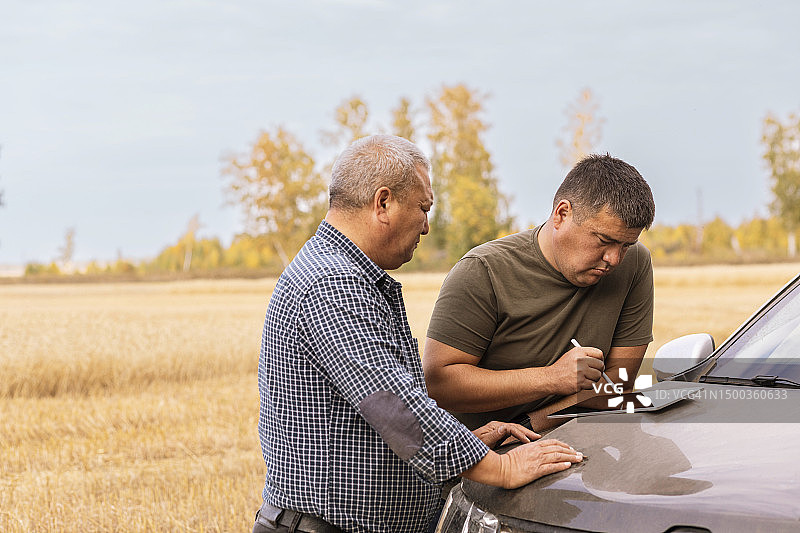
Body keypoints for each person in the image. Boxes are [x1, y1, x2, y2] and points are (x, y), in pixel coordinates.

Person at [253, 134, 583, 533]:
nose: (426, 226)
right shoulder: (333, 284)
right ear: (383, 203)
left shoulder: (345, 275)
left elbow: (371, 424)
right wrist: (501, 467)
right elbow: (395, 408)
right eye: (423, 208)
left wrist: (468, 445)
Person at [423, 154, 656, 431]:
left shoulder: (635, 263)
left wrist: (533, 424)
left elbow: (618, 383)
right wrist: (552, 378)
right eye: (604, 240)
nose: (614, 259)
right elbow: (439, 385)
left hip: (575, 434)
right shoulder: (483, 271)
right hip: (483, 447)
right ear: (562, 214)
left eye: (626, 245)